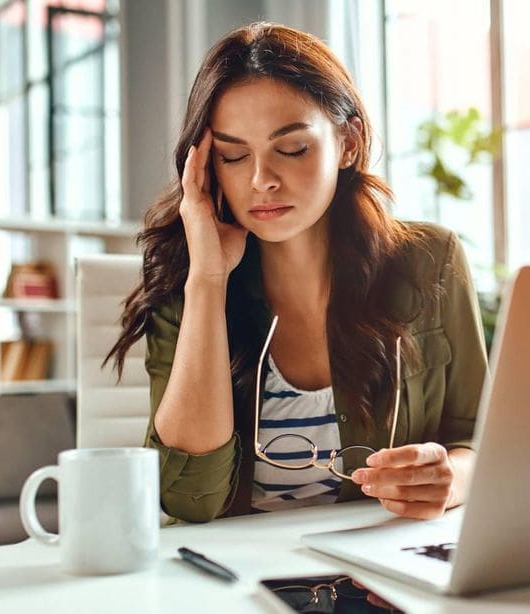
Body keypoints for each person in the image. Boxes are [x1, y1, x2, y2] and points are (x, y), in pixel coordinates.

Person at [107, 22, 487, 523]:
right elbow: (189, 498)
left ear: (348, 142)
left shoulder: (429, 260)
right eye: (234, 155)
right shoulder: (187, 279)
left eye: (291, 149)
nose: (262, 180)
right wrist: (207, 281)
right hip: (233, 583)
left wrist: (451, 478)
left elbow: (481, 438)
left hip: (375, 571)